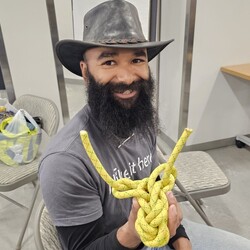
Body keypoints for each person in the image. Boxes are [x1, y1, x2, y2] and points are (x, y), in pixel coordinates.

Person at [39, 1, 250, 249]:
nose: (127, 77)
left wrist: (180, 237)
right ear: (85, 72)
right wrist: (132, 233)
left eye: (137, 60)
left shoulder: (140, 119)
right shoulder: (65, 162)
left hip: (159, 232)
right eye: (109, 62)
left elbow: (156, 185)